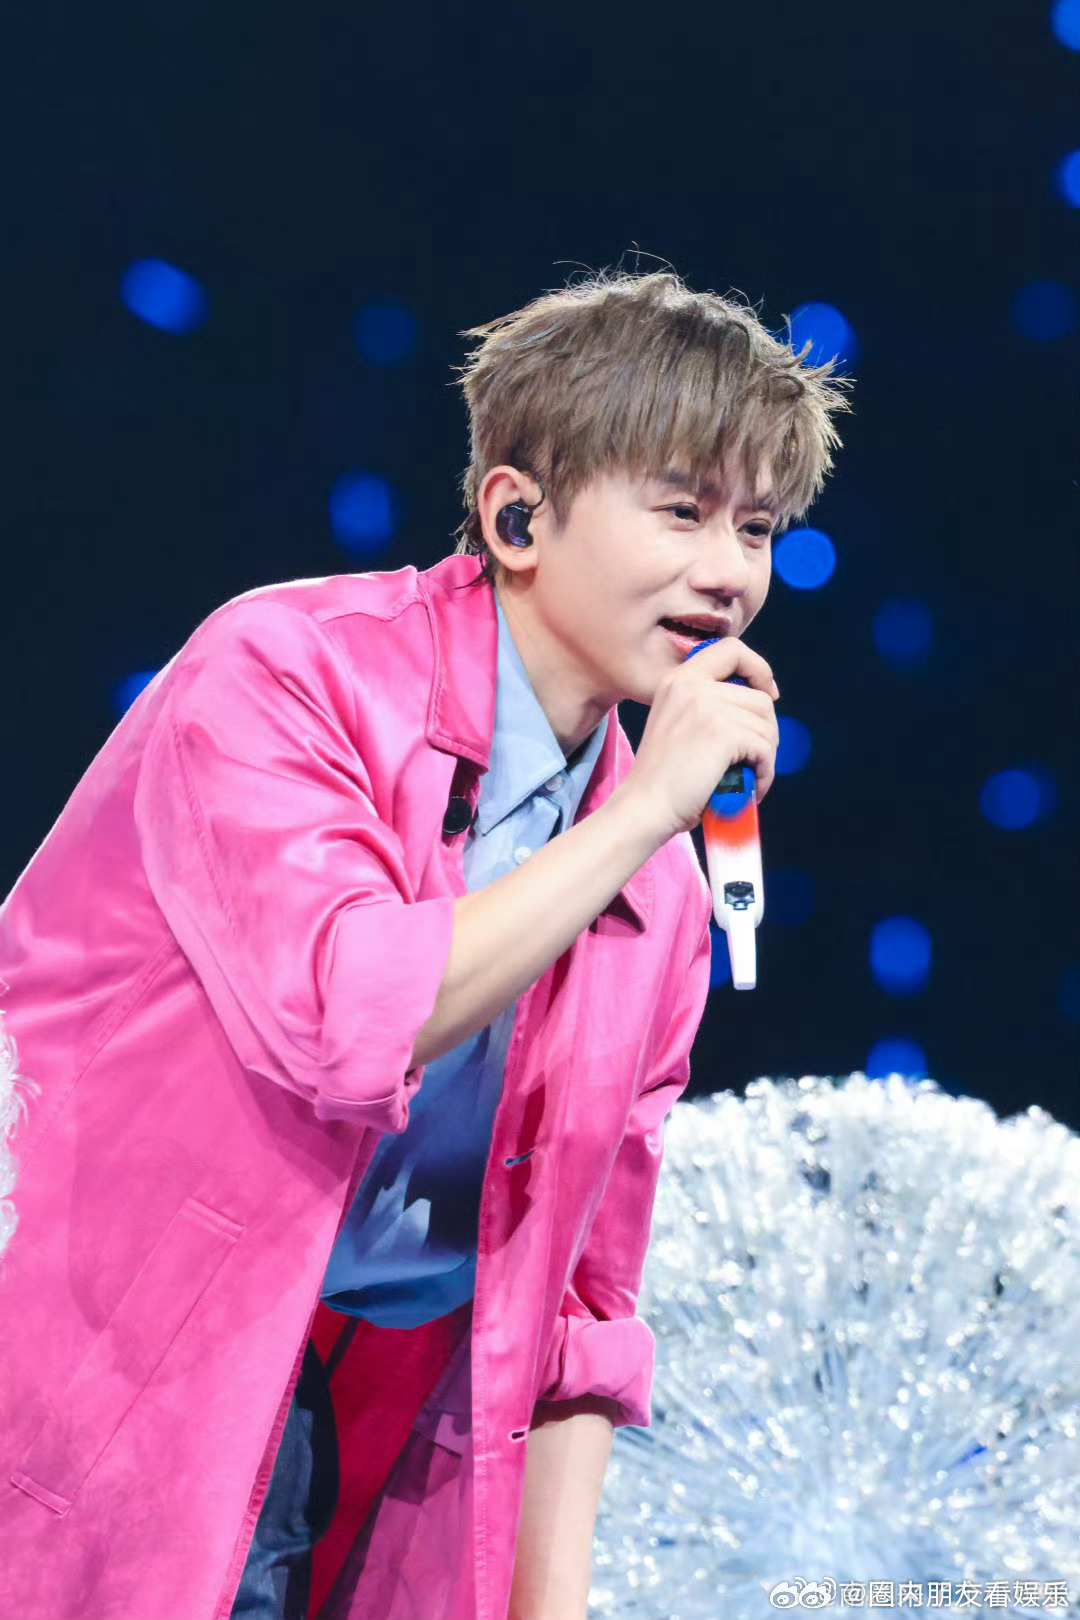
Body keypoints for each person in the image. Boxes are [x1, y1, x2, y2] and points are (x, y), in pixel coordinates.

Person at [0, 267, 848, 1620]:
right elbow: (348, 1018)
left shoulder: (661, 895)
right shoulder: (284, 673)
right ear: (518, 515)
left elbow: (583, 1302)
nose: (729, 574)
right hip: (90, 1369)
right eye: (682, 510)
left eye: (756, 528)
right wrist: (643, 813)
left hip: (368, 1438)